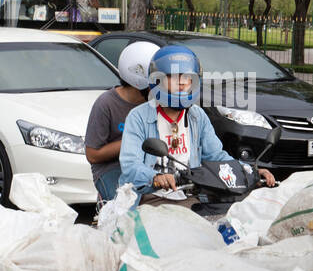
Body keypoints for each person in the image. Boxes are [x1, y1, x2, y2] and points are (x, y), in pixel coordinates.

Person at [119, 44, 275, 204]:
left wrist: (248, 171)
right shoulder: (138, 117)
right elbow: (131, 165)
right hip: (151, 197)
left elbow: (216, 156)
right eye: (174, 76)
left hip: (190, 195)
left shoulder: (196, 115)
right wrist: (156, 177)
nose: (182, 83)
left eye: (187, 77)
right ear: (158, 80)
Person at [85, 40, 157, 203]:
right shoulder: (106, 103)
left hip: (147, 166)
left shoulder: (156, 103)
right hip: (112, 169)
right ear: (139, 78)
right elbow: (92, 155)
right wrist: (133, 140)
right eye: (156, 79)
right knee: (127, 209)